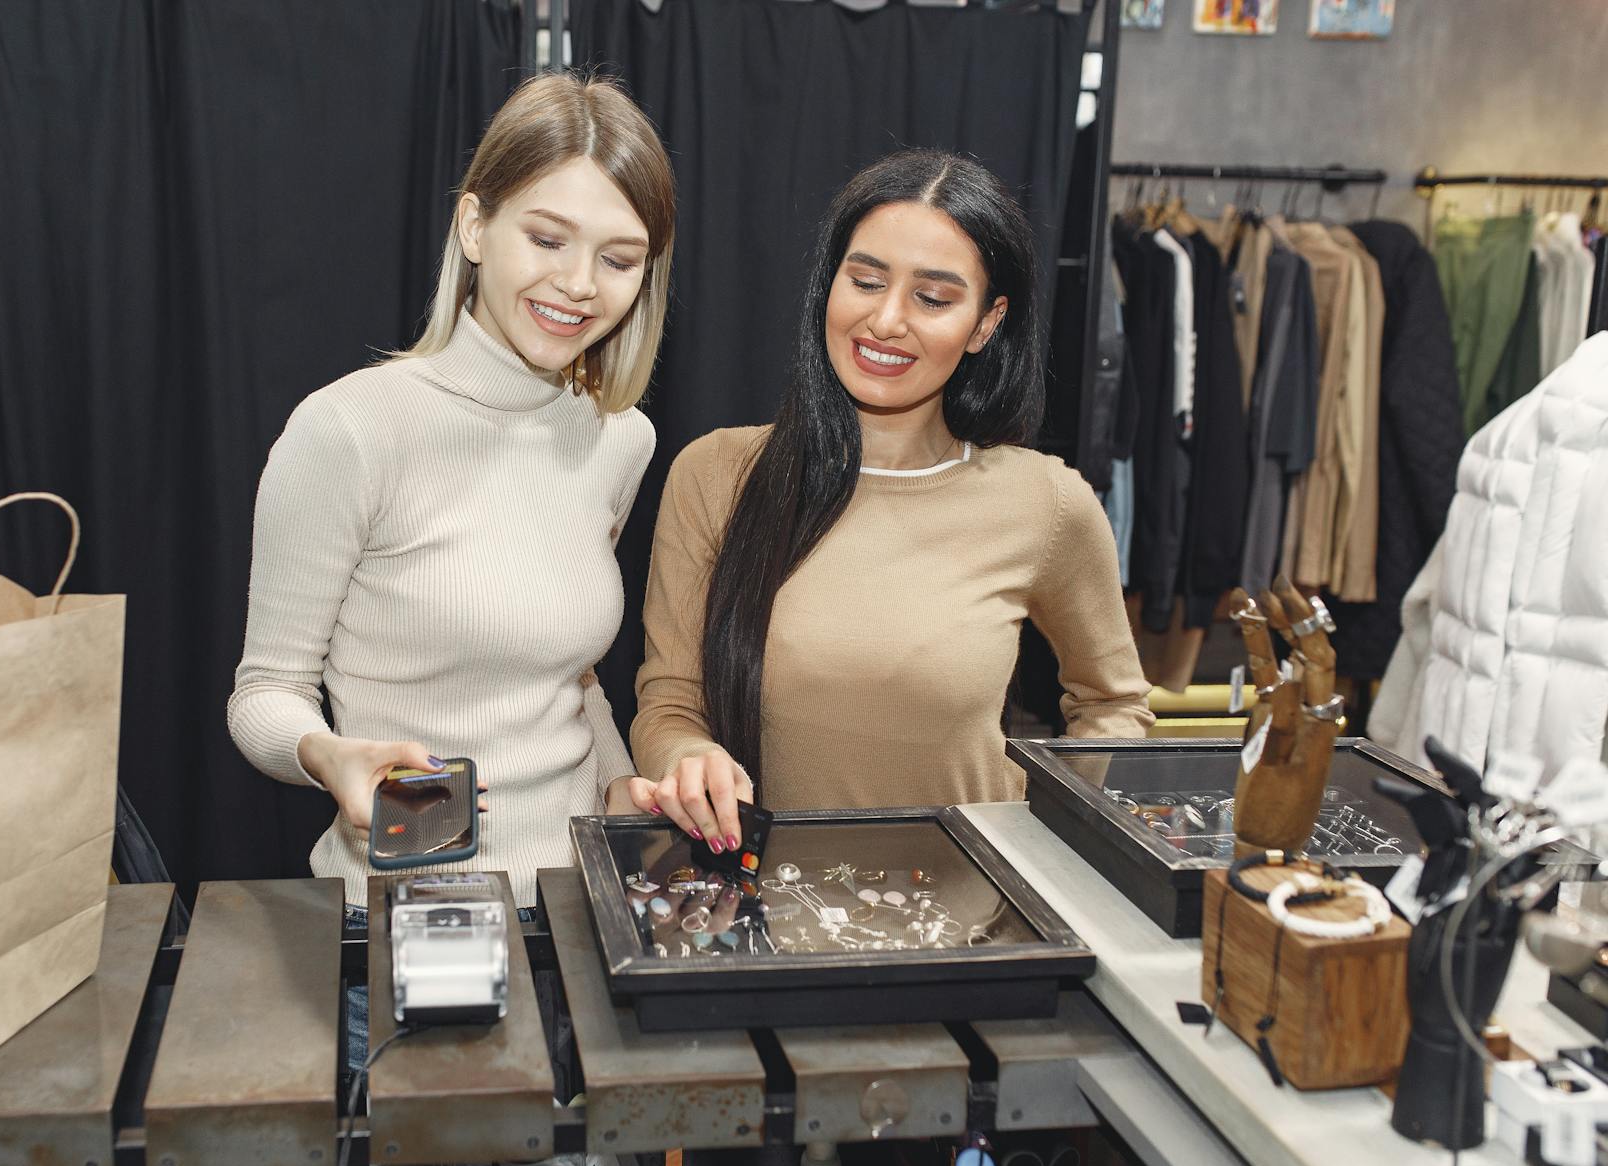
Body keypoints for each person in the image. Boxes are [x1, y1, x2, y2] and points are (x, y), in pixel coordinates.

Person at [229, 72, 676, 919]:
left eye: (618, 259)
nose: (580, 284)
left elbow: (571, 675)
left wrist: (621, 784)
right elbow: (263, 695)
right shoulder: (348, 431)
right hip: (412, 922)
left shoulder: (621, 439)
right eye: (548, 239)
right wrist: (327, 754)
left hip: (585, 911)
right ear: (475, 225)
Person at [627, 149, 1151, 850]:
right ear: (830, 283)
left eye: (933, 299)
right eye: (866, 281)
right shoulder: (718, 475)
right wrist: (686, 760)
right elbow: (668, 703)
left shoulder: (1045, 502)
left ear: (987, 324)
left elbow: (1114, 704)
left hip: (975, 924)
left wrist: (1053, 839)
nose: (886, 320)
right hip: (760, 916)